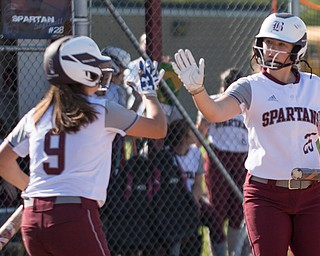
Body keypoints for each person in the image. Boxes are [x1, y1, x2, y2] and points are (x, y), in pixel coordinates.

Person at [0, 35, 166, 256]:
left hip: (33, 218)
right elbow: (158, 128)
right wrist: (149, 94)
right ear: (82, 71)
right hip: (73, 216)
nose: (102, 71)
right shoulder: (101, 110)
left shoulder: (37, 114)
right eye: (95, 65)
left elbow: (3, 161)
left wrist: (30, 188)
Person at [172, 13, 320, 256]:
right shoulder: (251, 85)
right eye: (268, 42)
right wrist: (198, 91)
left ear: (297, 50)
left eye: (280, 44)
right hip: (267, 194)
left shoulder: (314, 86)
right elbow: (215, 112)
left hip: (311, 192)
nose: (271, 50)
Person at [196, 68, 248, 256]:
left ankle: (234, 252)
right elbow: (199, 133)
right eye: (229, 83)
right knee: (217, 210)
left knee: (238, 212)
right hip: (218, 157)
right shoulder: (213, 101)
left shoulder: (248, 105)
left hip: (243, 159)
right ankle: (218, 253)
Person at [153, 119, 202, 256]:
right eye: (191, 131)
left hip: (191, 199)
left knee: (213, 218)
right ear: (184, 136)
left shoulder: (196, 153)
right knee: (177, 223)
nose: (195, 133)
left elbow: (198, 183)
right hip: (172, 201)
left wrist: (193, 200)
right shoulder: (166, 156)